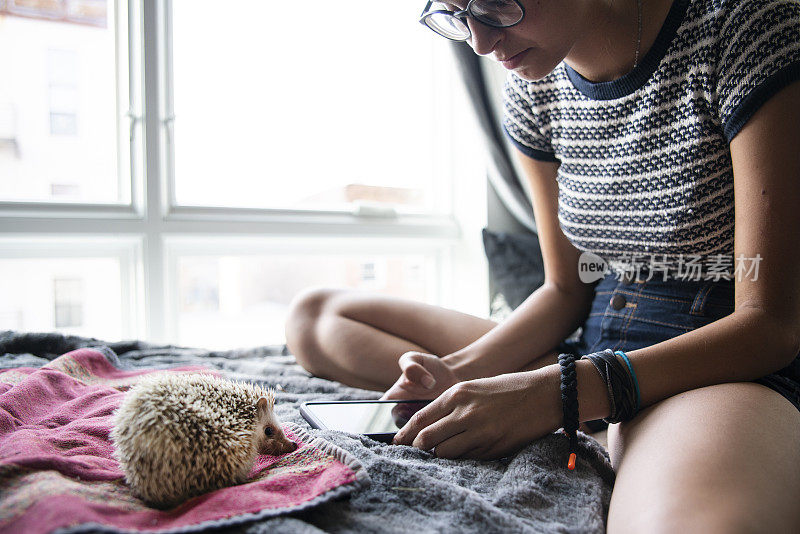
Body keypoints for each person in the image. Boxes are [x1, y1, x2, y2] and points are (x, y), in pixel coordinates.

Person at [285, 0, 800, 531]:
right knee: (314, 318)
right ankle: (591, 419)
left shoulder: (747, 26)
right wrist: (460, 371)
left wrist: (562, 394)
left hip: (710, 366)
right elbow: (564, 288)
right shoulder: (535, 81)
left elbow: (772, 326)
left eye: (491, 5)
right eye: (454, 12)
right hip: (593, 341)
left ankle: (624, 429)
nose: (480, 43)